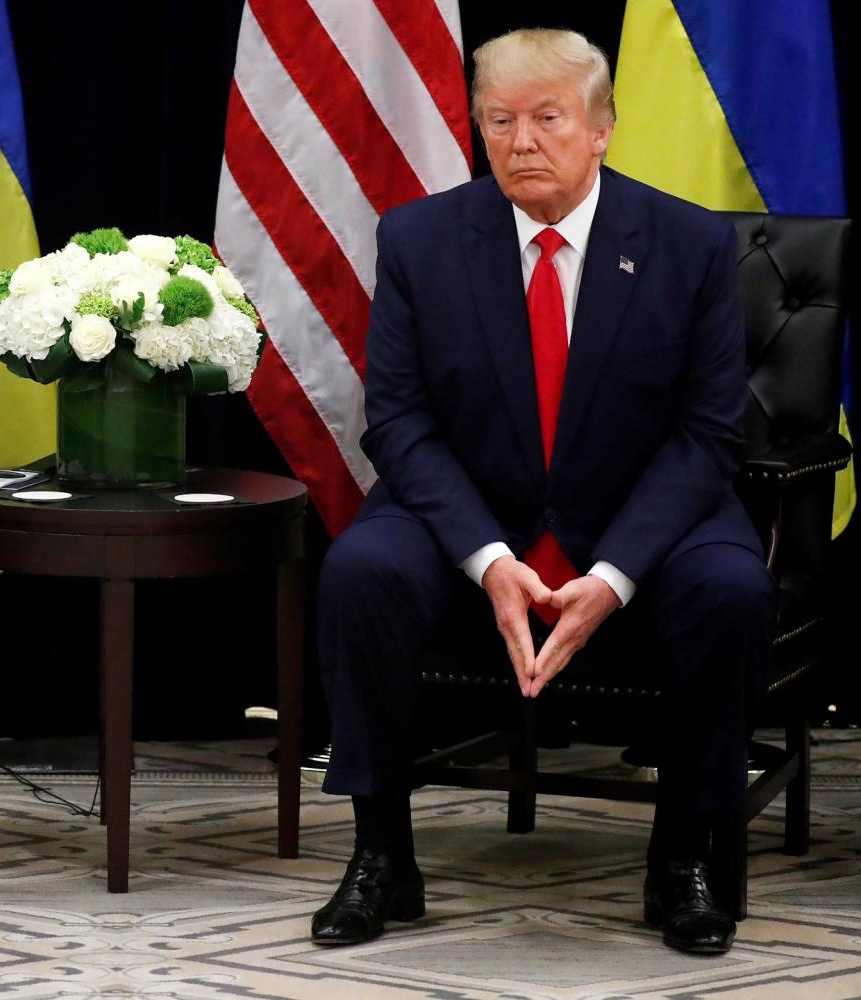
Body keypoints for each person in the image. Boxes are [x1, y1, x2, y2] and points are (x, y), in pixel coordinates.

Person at [310, 29, 771, 955]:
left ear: (601, 128)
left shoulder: (690, 244)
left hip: (644, 512)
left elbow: (707, 433)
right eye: (499, 120)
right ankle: (381, 855)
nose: (522, 141)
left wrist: (616, 572)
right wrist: (486, 558)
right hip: (472, 511)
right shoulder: (419, 238)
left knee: (731, 590)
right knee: (361, 569)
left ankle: (680, 856)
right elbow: (398, 422)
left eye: (548, 119)